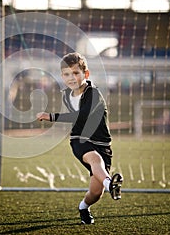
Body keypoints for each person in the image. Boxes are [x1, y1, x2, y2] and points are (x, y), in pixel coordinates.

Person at [36, 52, 123, 225]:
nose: (72, 78)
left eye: (76, 73)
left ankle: (83, 207)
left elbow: (82, 115)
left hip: (102, 144)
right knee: (94, 159)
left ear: (86, 74)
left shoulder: (94, 94)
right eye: (67, 74)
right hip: (80, 139)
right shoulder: (67, 95)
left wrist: (50, 116)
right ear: (62, 76)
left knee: (95, 194)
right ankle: (110, 185)